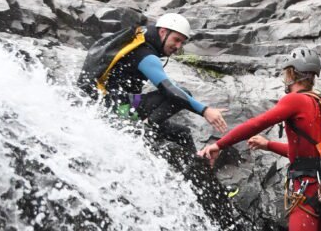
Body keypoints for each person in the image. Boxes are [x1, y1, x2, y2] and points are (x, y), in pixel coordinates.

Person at [197, 47, 321, 231]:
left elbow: (257, 123)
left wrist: (219, 145)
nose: (285, 79)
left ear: (294, 74)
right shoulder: (320, 102)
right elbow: (307, 154)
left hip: (306, 186)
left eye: (287, 74)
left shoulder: (295, 100)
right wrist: (269, 144)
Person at [79, 12, 228, 145]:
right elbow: (170, 90)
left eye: (182, 42)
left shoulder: (140, 39)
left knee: (183, 134)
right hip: (117, 109)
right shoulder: (145, 54)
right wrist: (205, 110)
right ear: (163, 32)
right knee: (183, 94)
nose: (178, 46)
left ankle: (190, 171)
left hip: (116, 105)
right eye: (176, 39)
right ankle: (143, 133)